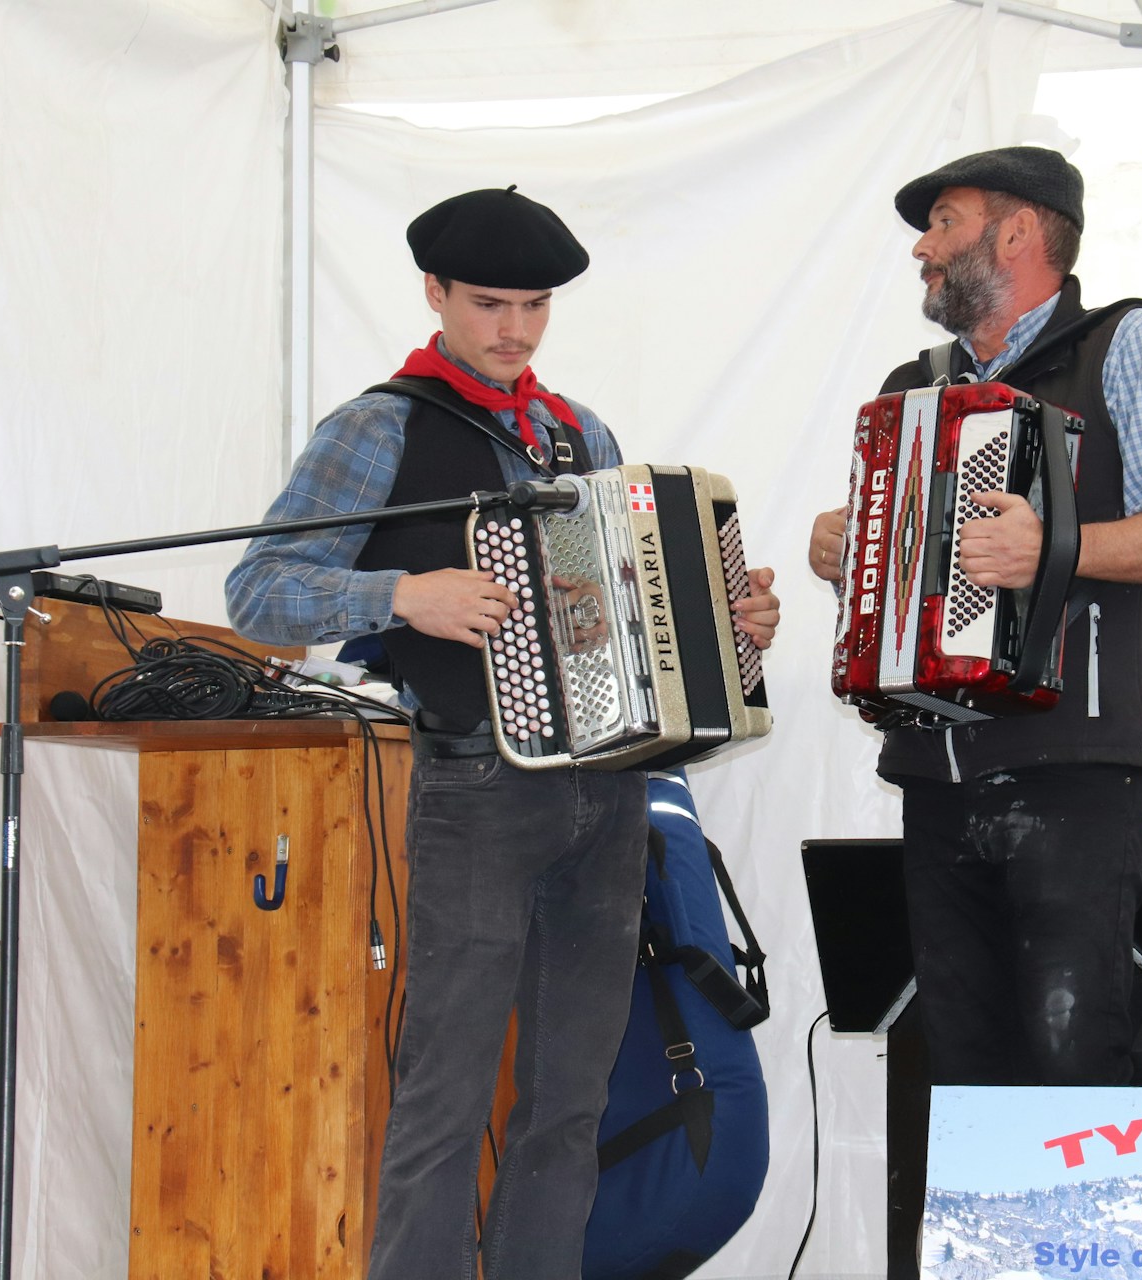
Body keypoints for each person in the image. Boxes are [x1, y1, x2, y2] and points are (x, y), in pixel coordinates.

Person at [226, 186, 780, 1279]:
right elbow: (258, 591)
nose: (513, 329)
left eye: (533, 306)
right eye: (488, 303)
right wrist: (403, 594)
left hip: (609, 794)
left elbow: (637, 608)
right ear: (434, 294)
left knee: (570, 1099)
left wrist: (735, 623)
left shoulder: (583, 432)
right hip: (475, 790)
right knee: (444, 1094)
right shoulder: (379, 423)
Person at [810, 146, 1142, 1088]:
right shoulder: (912, 383)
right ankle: (978, 1241)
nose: (923, 246)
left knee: (1071, 1054)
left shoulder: (1131, 342)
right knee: (958, 1060)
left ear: (1017, 232)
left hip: (1075, 765)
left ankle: (1079, 1239)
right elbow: (899, 573)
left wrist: (1055, 547)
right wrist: (847, 546)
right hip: (938, 766)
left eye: (945, 222)